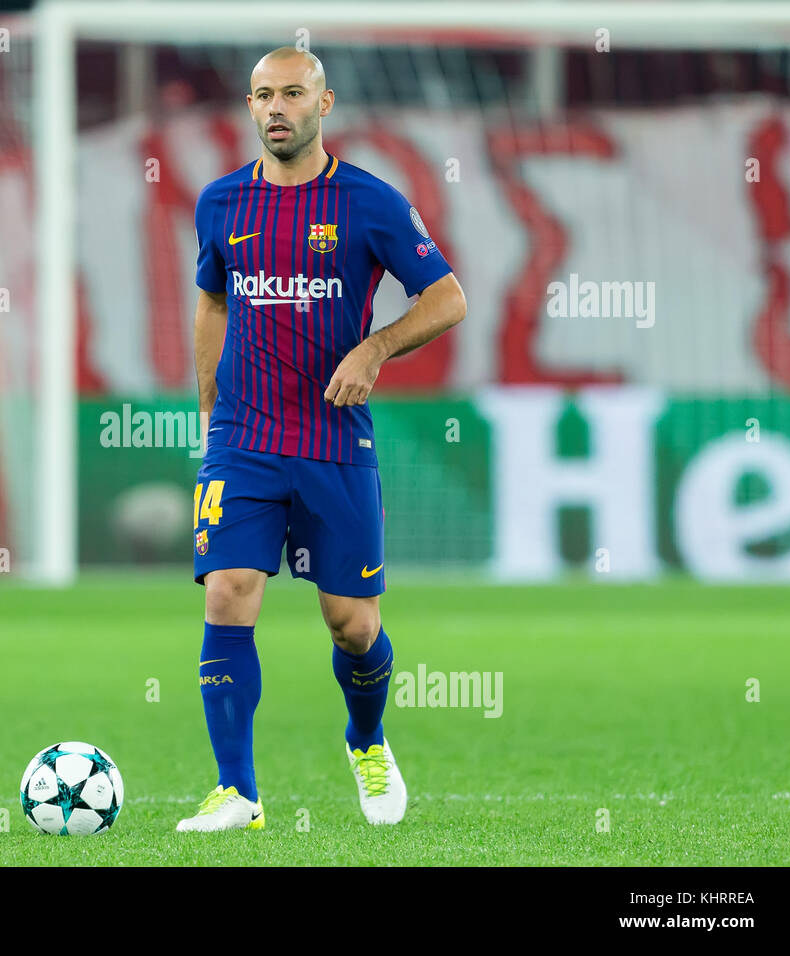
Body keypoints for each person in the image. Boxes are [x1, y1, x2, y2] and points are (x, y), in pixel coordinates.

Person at [179, 46, 466, 831]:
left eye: (293, 94)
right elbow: (211, 300)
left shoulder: (369, 203)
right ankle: (238, 790)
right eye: (263, 95)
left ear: (325, 103)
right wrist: (209, 393)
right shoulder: (221, 204)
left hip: (334, 444)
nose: (276, 108)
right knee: (230, 593)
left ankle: (367, 741)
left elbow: (447, 298)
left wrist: (373, 349)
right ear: (248, 107)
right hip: (242, 440)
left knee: (353, 624)